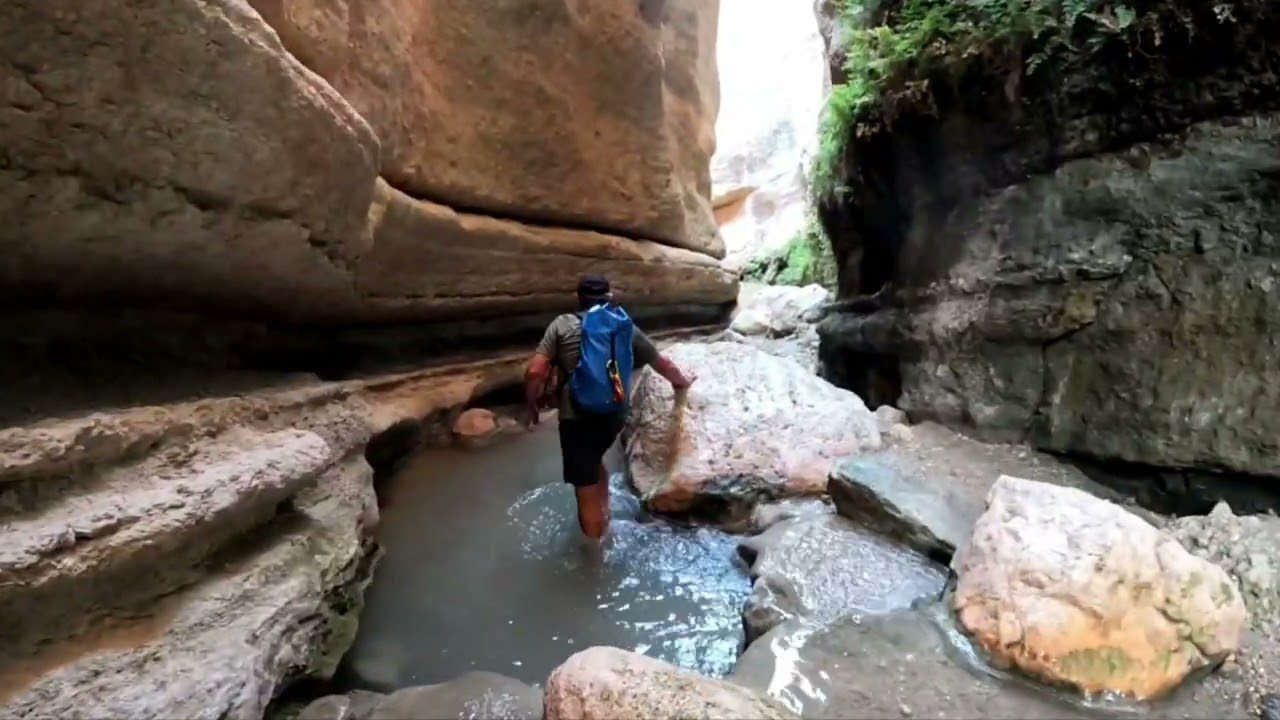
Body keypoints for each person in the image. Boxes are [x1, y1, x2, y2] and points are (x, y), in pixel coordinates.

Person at [524, 274, 695, 540]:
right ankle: (606, 516)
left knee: (584, 488)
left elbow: (536, 370)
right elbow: (661, 363)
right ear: (609, 297)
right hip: (614, 415)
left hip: (577, 419)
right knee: (595, 457)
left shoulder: (562, 325)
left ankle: (595, 554)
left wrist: (532, 404)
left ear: (578, 297)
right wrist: (682, 383)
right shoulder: (623, 325)